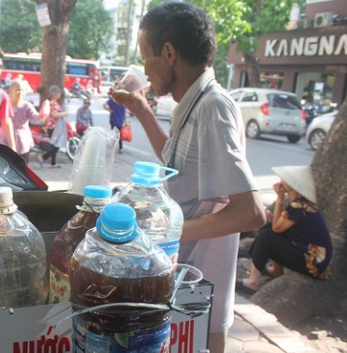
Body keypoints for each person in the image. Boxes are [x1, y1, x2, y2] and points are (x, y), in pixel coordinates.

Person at [116, 3, 266, 353]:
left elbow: (251, 212)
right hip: (185, 274)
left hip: (203, 280)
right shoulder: (194, 103)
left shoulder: (213, 107)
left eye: (145, 56)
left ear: (168, 53)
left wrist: (167, 232)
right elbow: (176, 162)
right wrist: (139, 108)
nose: (144, 70)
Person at [237, 166, 332, 294]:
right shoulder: (301, 204)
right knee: (268, 228)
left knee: (267, 235)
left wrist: (280, 197)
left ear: (293, 185)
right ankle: (276, 270)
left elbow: (276, 228)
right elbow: (278, 225)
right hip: (313, 260)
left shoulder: (298, 206)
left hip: (313, 263)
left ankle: (253, 282)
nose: (281, 181)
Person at [9, 79, 41, 163]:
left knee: (22, 167)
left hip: (22, 141)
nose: (20, 92)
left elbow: (36, 118)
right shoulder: (5, 103)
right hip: (6, 141)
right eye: (17, 89)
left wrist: (44, 114)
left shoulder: (27, 106)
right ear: (11, 90)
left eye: (22, 90)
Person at [38, 85, 68, 168]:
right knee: (56, 146)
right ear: (54, 94)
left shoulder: (52, 102)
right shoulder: (53, 103)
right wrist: (65, 113)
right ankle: (43, 157)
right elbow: (55, 114)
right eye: (58, 92)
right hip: (54, 127)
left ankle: (53, 163)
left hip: (52, 126)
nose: (59, 94)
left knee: (54, 145)